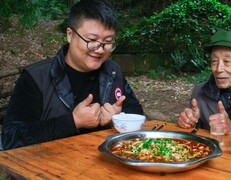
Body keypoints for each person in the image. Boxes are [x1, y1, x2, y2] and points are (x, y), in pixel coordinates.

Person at [1, 0, 143, 150]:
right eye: (92, 40)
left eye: (107, 42)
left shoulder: (112, 71)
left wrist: (118, 119)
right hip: (48, 168)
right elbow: (11, 137)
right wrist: (73, 121)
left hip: (103, 165)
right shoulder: (36, 77)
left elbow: (136, 112)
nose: (100, 49)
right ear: (70, 34)